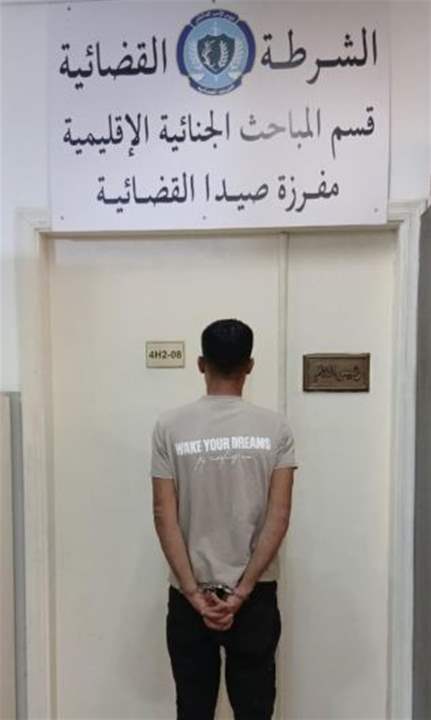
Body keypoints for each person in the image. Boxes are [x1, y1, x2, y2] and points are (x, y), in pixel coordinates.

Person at [151, 319, 297, 720]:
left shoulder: (169, 427)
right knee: (255, 709)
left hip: (190, 593)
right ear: (250, 365)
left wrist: (193, 593)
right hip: (254, 594)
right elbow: (279, 515)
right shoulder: (276, 428)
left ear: (201, 364)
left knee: (193, 708)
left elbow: (164, 513)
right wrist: (242, 592)